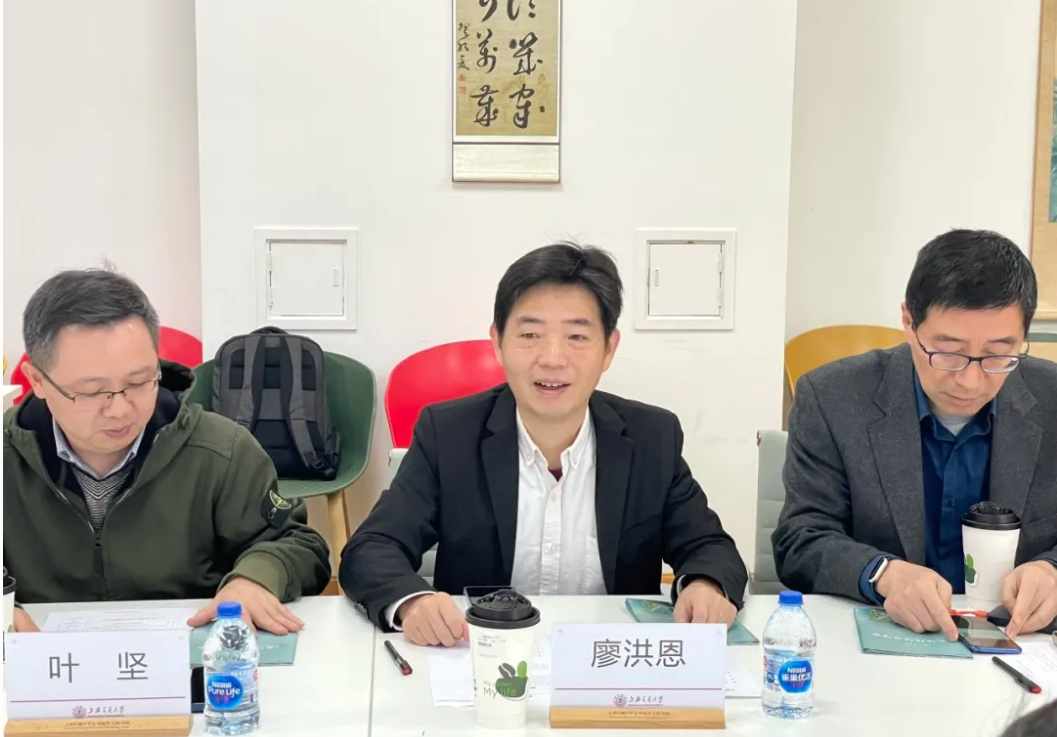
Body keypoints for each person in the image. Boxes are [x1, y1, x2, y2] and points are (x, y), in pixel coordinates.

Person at [340, 243, 747, 646]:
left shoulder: (650, 438)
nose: (552, 358)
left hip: (608, 662)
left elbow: (709, 547)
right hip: (482, 656)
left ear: (609, 349)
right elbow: (372, 548)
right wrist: (413, 602)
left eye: (577, 336)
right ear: (498, 342)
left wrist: (707, 584)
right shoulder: (448, 434)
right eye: (530, 334)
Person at [3, 268, 331, 635]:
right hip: (39, 659)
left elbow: (296, 543)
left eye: (139, 382)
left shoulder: (221, 450)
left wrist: (253, 580)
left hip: (190, 655)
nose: (120, 409)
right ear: (37, 380)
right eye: (93, 391)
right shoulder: (7, 459)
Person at [774, 229, 1057, 640]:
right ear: (909, 322)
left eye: (998, 355)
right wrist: (883, 574)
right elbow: (800, 540)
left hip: (1022, 644)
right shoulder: (833, 397)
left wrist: (1051, 570)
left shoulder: (1052, 399)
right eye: (949, 352)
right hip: (884, 639)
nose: (970, 381)